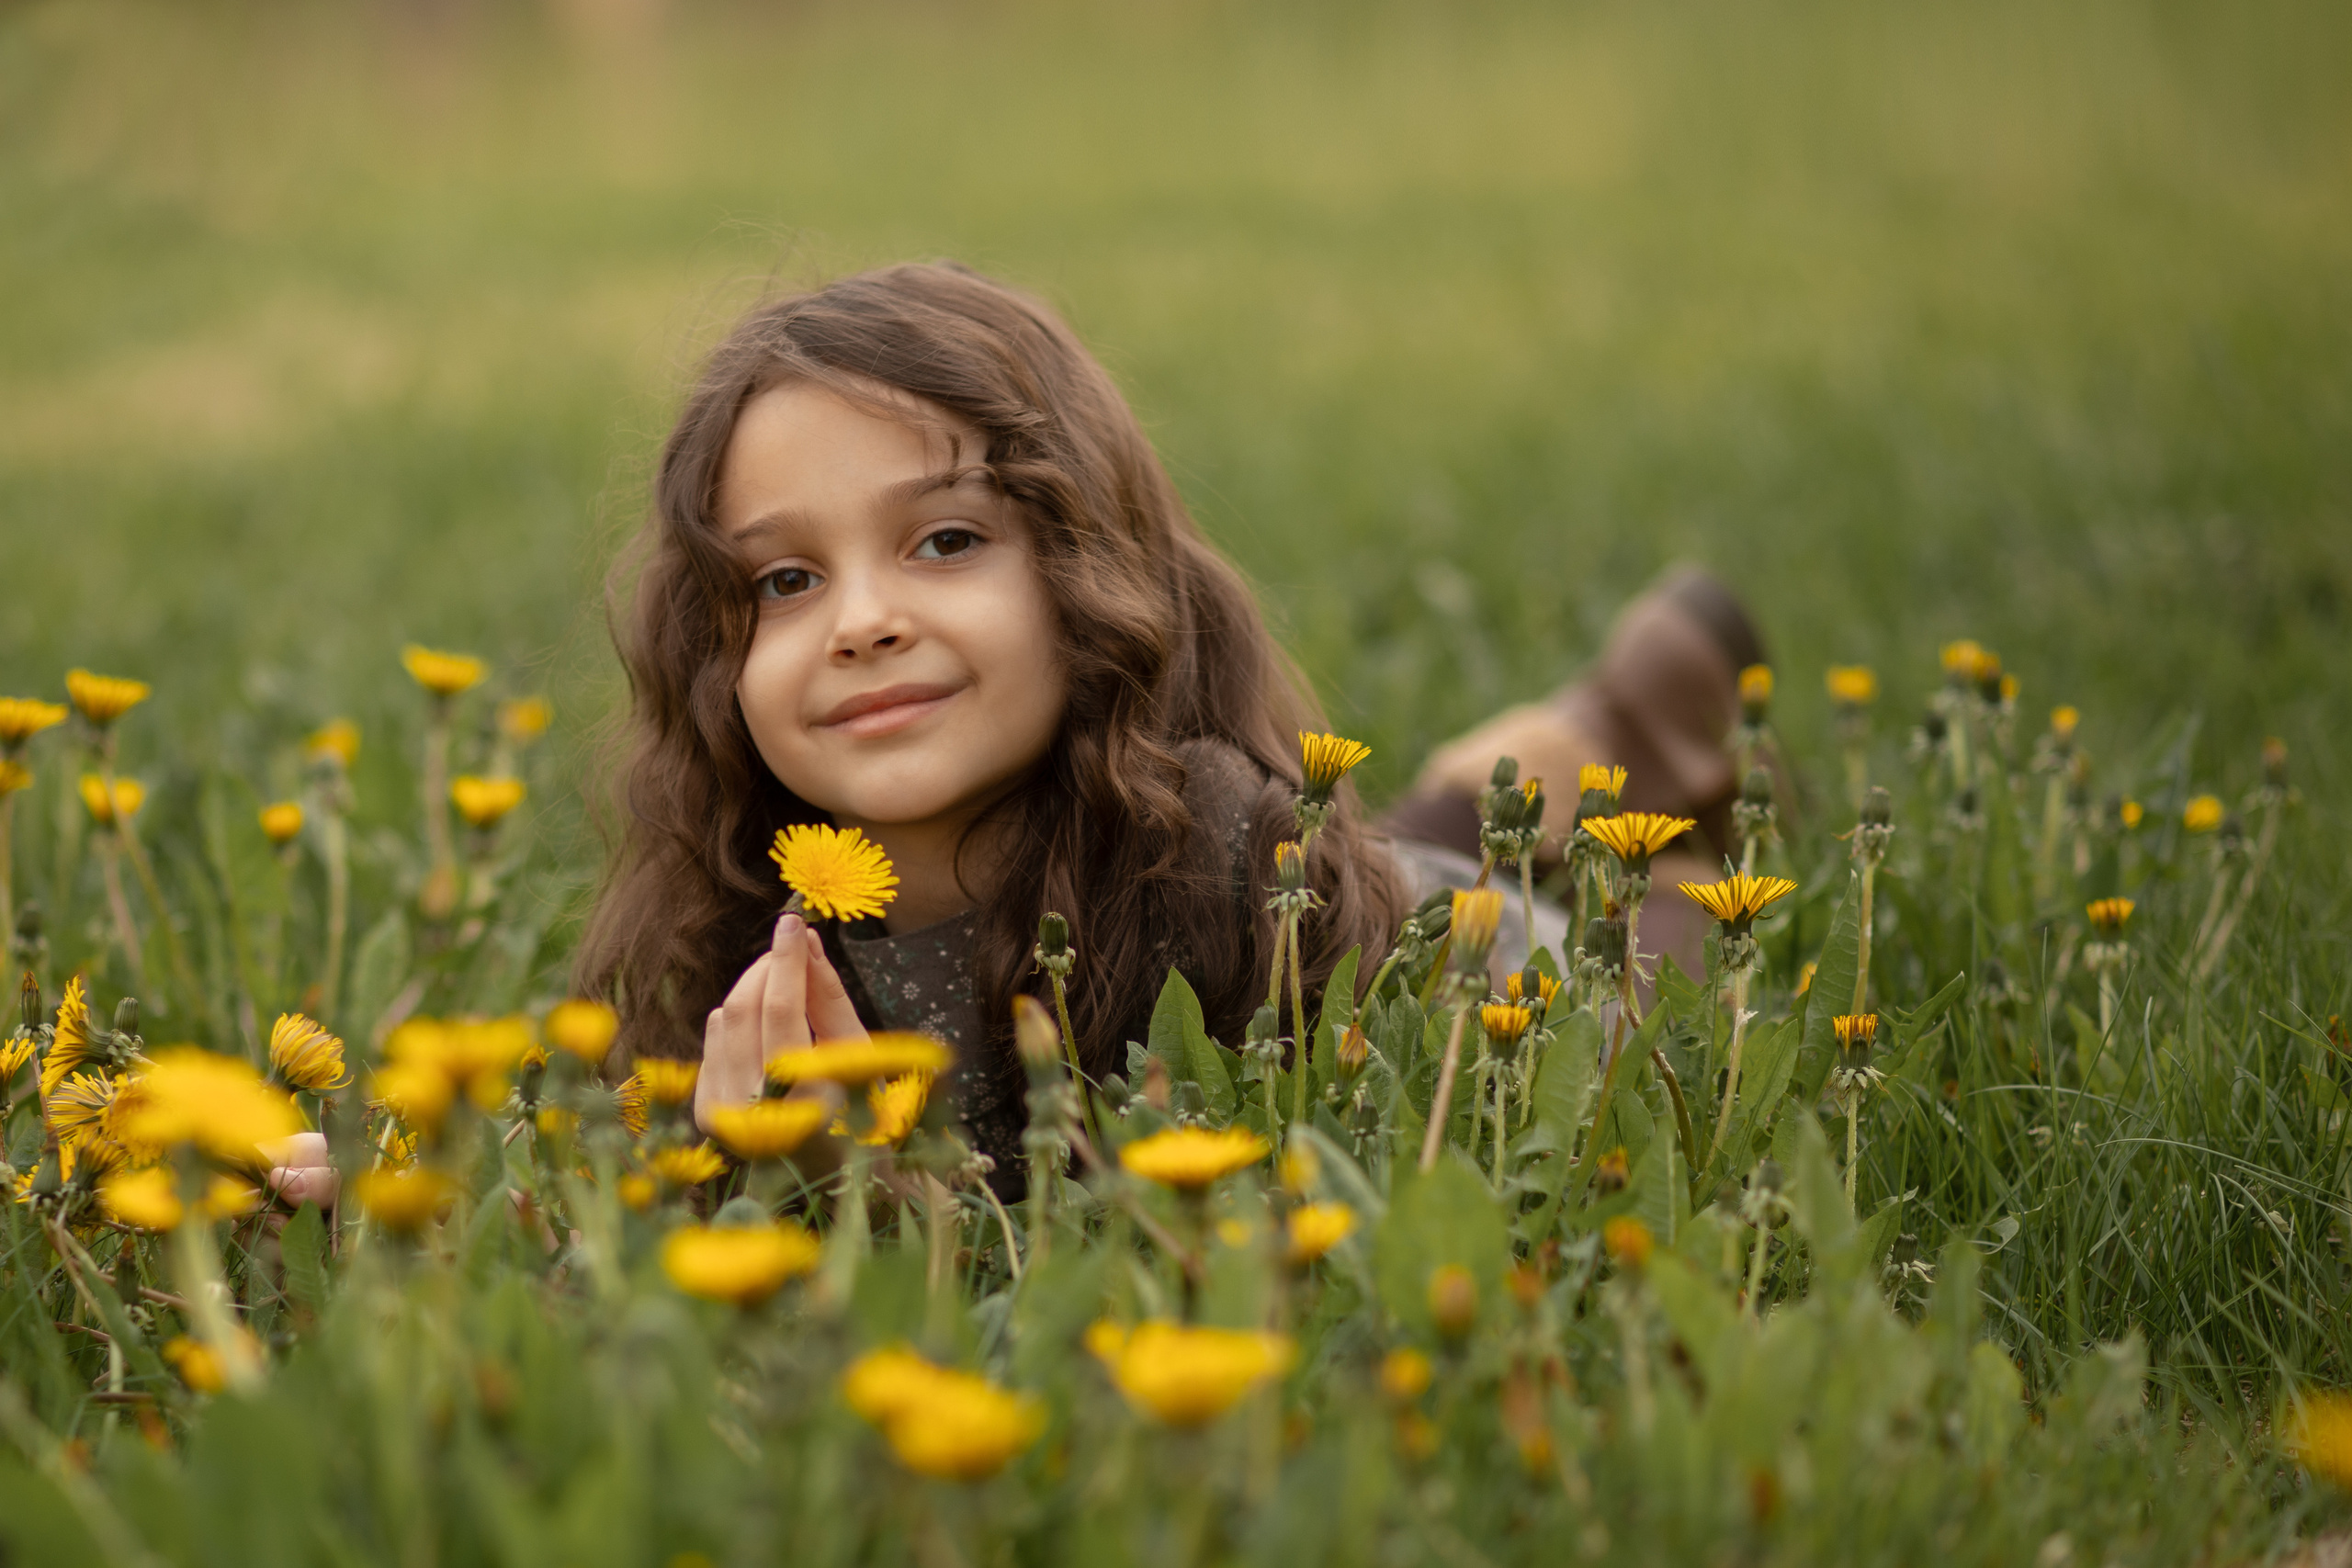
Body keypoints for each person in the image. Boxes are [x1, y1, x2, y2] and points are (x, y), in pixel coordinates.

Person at [270, 262, 1758, 1201]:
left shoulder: (1229, 855)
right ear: (718, 659)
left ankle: (1634, 773)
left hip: (1461, 975)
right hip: (1338, 868)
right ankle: (1567, 739)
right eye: (785, 579)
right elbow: (638, 1148)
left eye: (943, 543)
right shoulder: (744, 911)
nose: (858, 619)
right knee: (1401, 835)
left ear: (1084, 575)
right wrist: (477, 1191)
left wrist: (882, 1185)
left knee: (1644, 956)